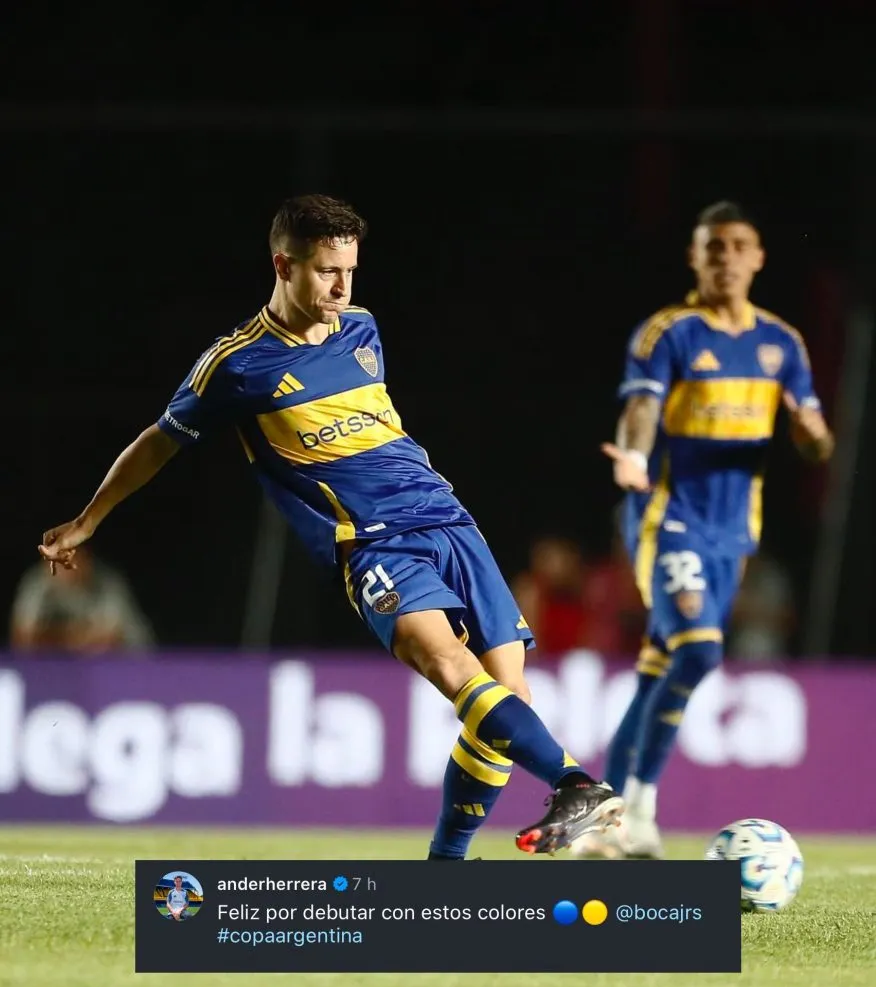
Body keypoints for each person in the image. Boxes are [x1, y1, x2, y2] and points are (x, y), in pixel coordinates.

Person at [38, 194, 623, 859]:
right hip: (372, 542)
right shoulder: (237, 364)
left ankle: (453, 860)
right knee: (449, 664)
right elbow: (159, 441)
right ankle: (575, 785)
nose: (342, 287)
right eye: (326, 271)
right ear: (283, 265)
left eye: (350, 270)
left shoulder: (361, 328)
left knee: (505, 699)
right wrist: (89, 519)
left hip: (448, 519)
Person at [572, 200, 834, 860]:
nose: (724, 258)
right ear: (695, 258)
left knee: (660, 664)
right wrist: (632, 456)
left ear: (758, 257)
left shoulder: (783, 344)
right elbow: (640, 408)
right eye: (711, 247)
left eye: (736, 245)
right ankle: (640, 812)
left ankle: (602, 821)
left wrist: (812, 435)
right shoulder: (670, 333)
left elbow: (818, 443)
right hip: (670, 518)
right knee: (698, 650)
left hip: (733, 534)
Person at [10, 546, 155, 653]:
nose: (67, 566)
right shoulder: (38, 583)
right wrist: (71, 638)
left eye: (75, 556)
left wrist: (57, 637)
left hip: (126, 663)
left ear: (87, 560)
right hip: (60, 667)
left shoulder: (107, 583)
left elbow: (111, 640)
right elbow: (23, 638)